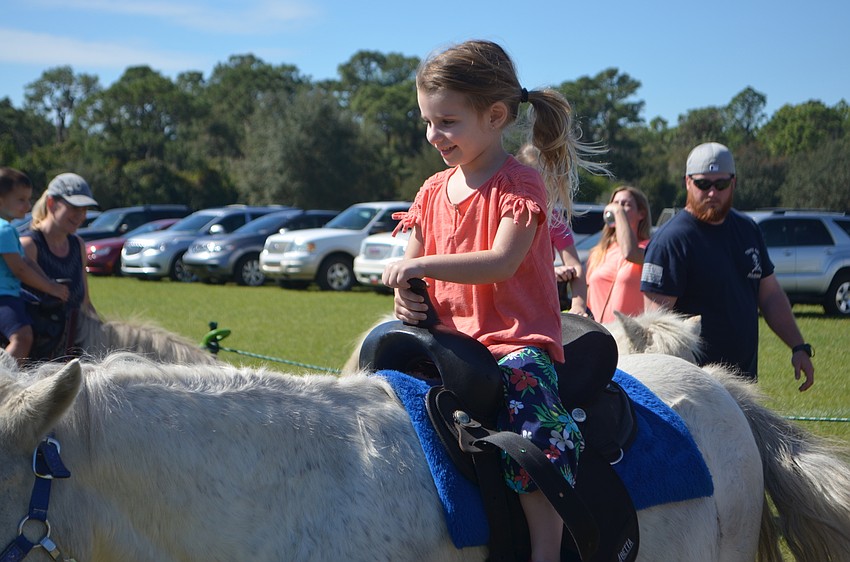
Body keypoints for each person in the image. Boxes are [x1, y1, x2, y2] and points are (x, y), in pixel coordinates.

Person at [382, 40, 604, 562]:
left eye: (448, 123)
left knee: (532, 430)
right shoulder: (433, 190)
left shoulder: (520, 183)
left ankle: (546, 547)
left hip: (512, 343)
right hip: (446, 342)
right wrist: (405, 297)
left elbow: (501, 260)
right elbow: (410, 265)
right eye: (427, 122)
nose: (434, 136)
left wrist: (418, 267)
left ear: (496, 115)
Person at [641, 142, 814, 391]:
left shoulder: (748, 230)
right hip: (694, 388)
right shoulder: (671, 240)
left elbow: (771, 296)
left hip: (743, 383)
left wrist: (798, 346)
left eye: (720, 184)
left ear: (734, 182)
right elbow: (657, 327)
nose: (712, 192)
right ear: (687, 182)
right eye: (703, 184)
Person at [21, 172, 99, 359]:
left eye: (84, 209)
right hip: (34, 359)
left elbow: (85, 303)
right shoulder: (28, 245)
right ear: (51, 204)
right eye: (74, 207)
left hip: (73, 350)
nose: (81, 216)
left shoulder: (77, 245)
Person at [0, 168, 70, 363]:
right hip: (3, 296)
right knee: (23, 337)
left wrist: (48, 282)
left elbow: (27, 261)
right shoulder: (4, 230)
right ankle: (5, 381)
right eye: (21, 200)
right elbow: (20, 270)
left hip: (10, 293)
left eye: (28, 199)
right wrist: (51, 288)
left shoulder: (8, 229)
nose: (28, 205)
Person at [516, 143, 589, 315]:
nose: (541, 187)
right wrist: (550, 273)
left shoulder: (553, 218)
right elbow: (507, 268)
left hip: (540, 308)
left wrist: (578, 307)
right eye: (535, 181)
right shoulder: (506, 213)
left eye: (548, 181)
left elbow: (576, 267)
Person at [585, 186, 651, 323]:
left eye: (625, 204)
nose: (618, 208)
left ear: (642, 214)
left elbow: (630, 252)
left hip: (630, 336)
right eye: (615, 203)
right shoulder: (599, 252)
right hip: (600, 333)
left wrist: (617, 211)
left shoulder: (648, 248)